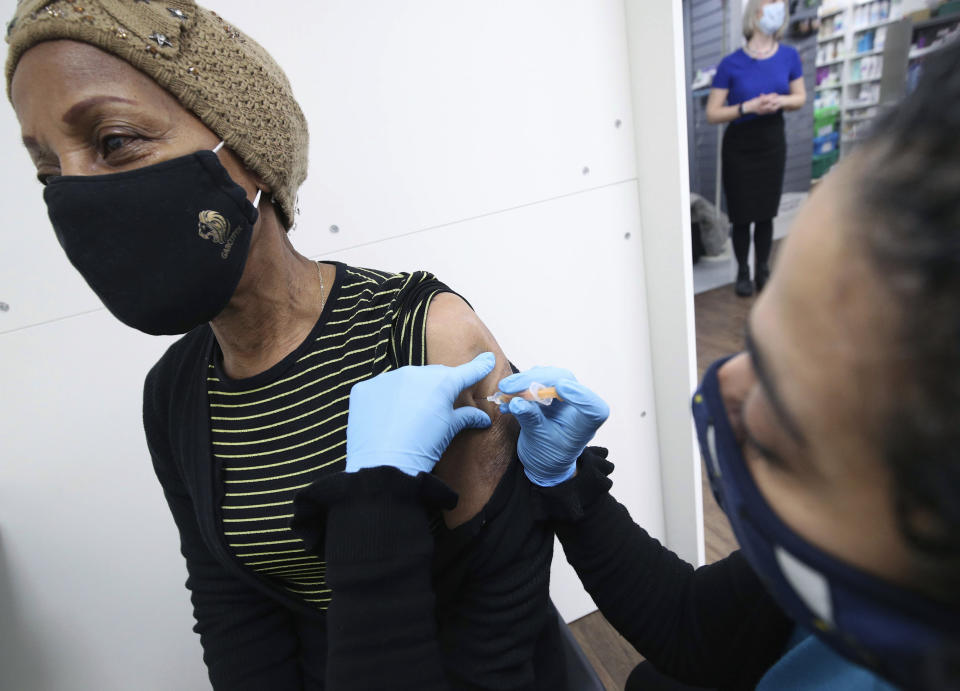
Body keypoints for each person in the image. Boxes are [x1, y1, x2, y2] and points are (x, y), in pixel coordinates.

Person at [324, 41, 960, 691]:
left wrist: (373, 512)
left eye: (788, 396)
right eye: (757, 339)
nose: (727, 385)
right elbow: (695, 627)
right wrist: (568, 484)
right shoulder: (848, 563)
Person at [6, 2, 561, 688]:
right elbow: (230, 609)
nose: (74, 196)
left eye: (115, 141)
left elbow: (500, 615)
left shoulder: (424, 336)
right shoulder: (175, 394)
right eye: (48, 173)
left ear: (248, 150)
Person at [706, 0, 806, 297]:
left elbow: (799, 97)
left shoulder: (789, 56)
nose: (776, 11)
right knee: (741, 215)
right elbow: (713, 113)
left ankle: (763, 269)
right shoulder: (730, 64)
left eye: (779, 6)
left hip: (771, 142)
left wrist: (780, 101)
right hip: (740, 146)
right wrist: (746, 107)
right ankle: (743, 272)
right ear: (754, 14)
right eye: (768, 5)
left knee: (765, 214)